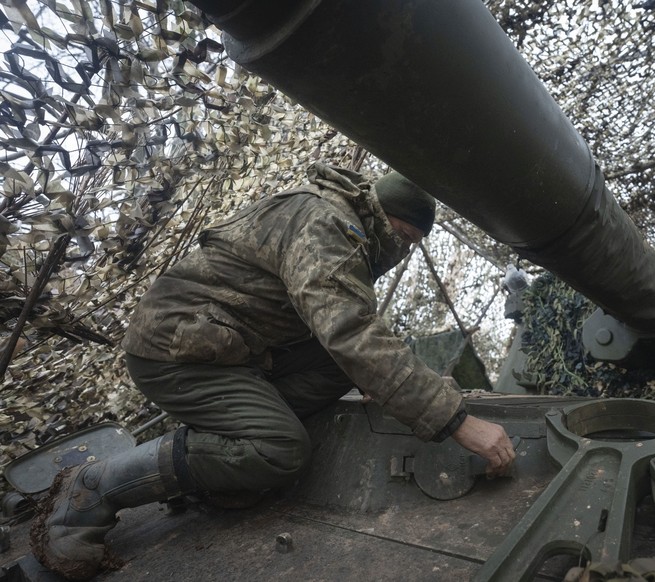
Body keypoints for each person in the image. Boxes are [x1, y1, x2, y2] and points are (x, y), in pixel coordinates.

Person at [30, 163, 516, 580]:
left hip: (226, 345)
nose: (403, 251)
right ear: (384, 218)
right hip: (176, 350)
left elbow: (343, 338)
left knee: (338, 366)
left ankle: (227, 463)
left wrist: (393, 384)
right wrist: (456, 420)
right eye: (404, 238)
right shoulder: (332, 228)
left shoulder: (336, 214)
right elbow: (351, 331)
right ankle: (94, 487)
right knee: (281, 449)